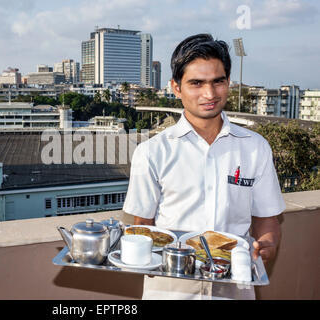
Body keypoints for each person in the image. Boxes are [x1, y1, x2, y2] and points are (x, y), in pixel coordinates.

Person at [122, 33, 285, 300]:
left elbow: (267, 221)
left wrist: (266, 249)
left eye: (217, 82)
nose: (209, 94)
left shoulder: (255, 148)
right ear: (176, 87)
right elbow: (142, 227)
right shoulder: (151, 152)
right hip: (170, 292)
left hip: (233, 291)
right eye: (196, 83)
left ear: (228, 82)